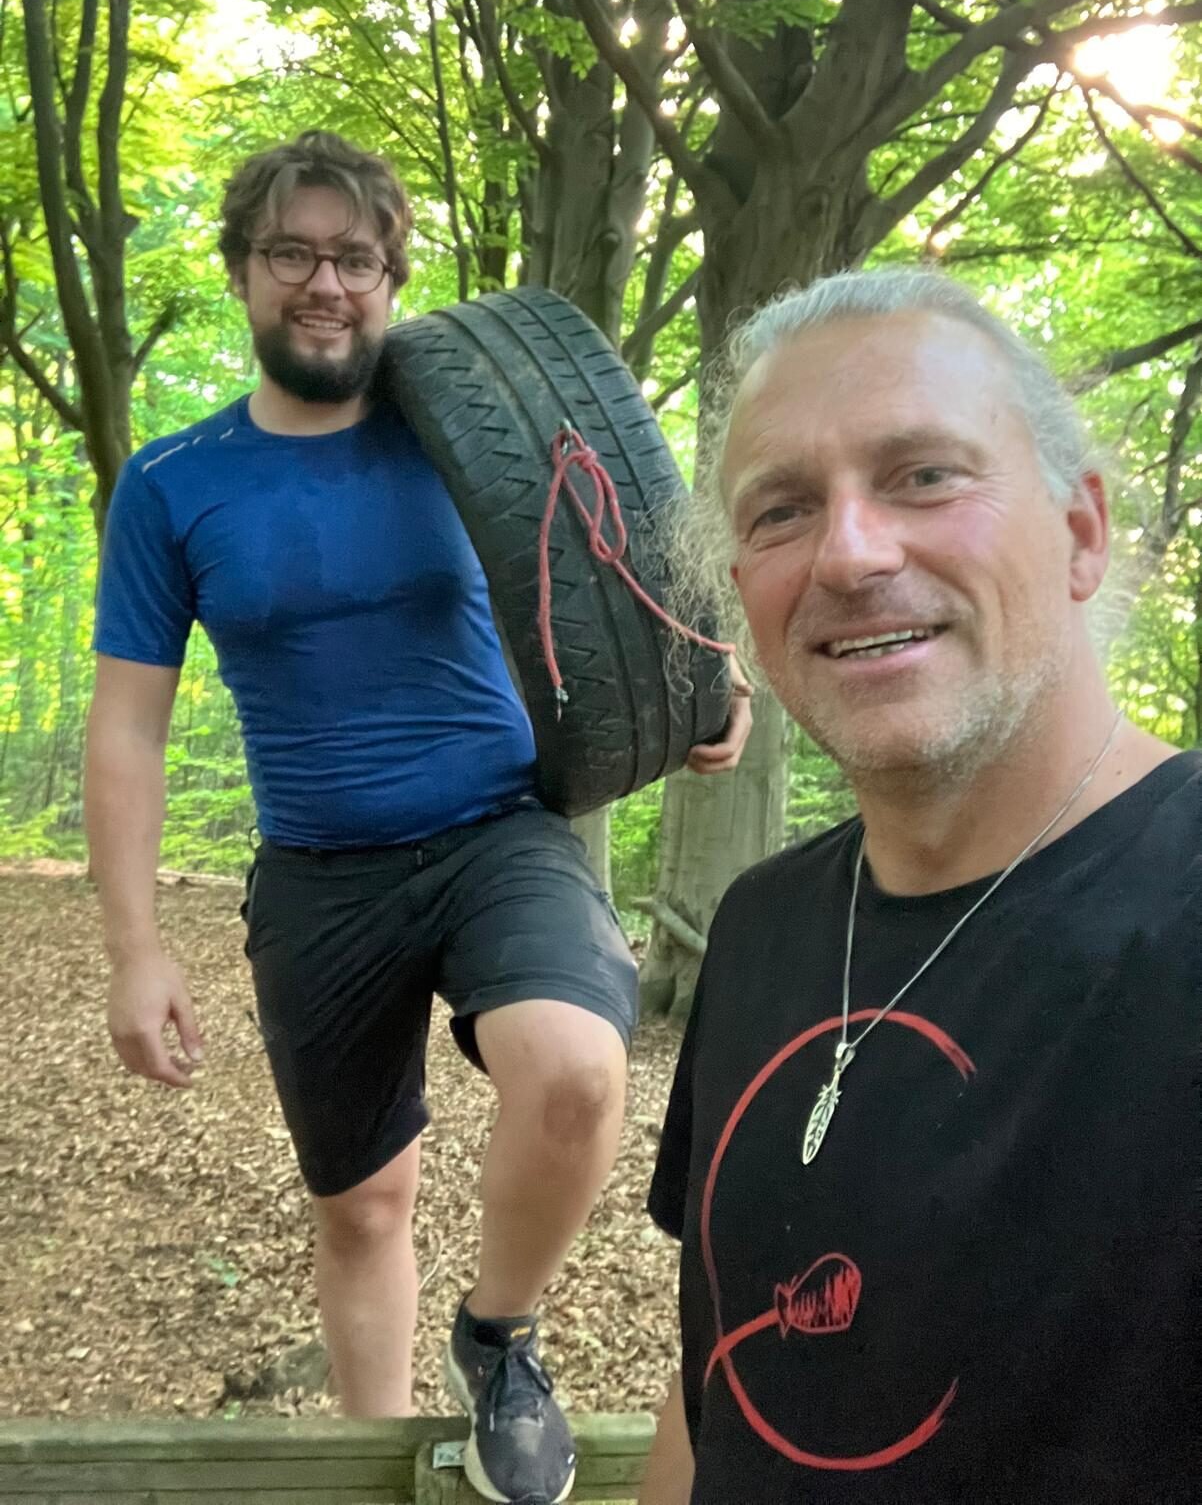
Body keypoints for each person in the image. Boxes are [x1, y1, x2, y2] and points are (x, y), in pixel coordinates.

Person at [84, 129, 750, 1505]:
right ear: (241, 272)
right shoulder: (171, 482)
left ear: (392, 279)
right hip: (317, 875)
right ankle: (371, 1446)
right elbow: (128, 726)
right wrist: (135, 947)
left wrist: (700, 679)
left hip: (497, 833)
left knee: (575, 1069)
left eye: (355, 257)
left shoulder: (464, 427)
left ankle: (497, 1338)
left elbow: (619, 560)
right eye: (291, 252)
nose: (324, 283)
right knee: (363, 1205)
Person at [639, 267, 1201, 1505]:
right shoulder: (760, 928)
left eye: (924, 475)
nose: (848, 553)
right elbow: (713, 1385)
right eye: (780, 510)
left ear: (1080, 532)